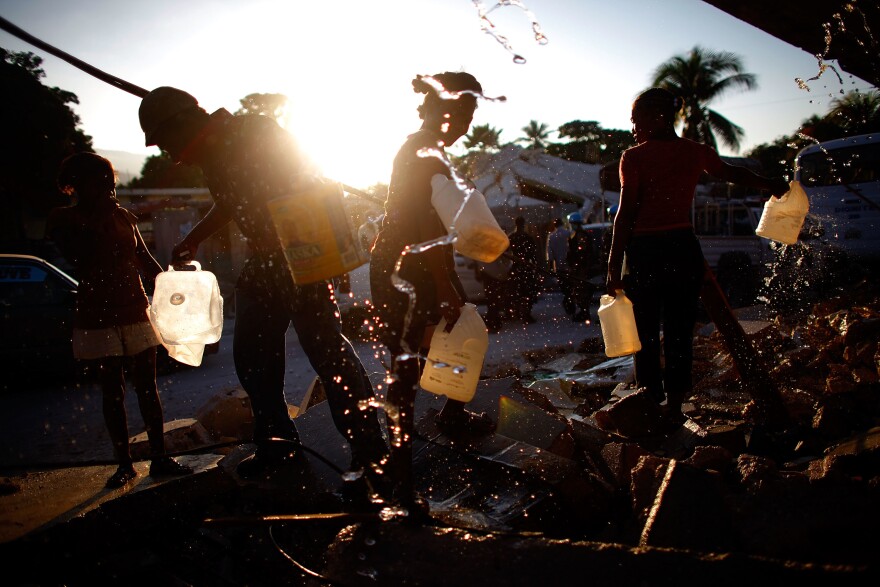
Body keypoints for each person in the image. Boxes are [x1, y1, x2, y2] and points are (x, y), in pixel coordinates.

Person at [137, 87, 388, 486]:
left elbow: (305, 180)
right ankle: (277, 448)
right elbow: (233, 202)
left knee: (328, 353)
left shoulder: (251, 132)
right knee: (254, 358)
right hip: (265, 260)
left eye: (167, 141)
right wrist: (196, 236)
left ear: (184, 123)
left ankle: (372, 451)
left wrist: (311, 251)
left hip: (299, 254)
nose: (169, 153)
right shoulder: (213, 154)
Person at [606, 87, 789, 426]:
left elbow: (625, 214)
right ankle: (674, 408)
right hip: (682, 246)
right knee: (679, 331)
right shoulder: (695, 152)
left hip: (645, 251)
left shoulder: (633, 157)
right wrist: (770, 184)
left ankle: (650, 400)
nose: (633, 127)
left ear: (657, 117)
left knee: (644, 333)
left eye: (636, 120)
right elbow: (733, 174)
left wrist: (612, 265)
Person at [370, 71, 495, 510]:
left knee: (452, 333)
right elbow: (424, 224)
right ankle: (397, 471)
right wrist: (444, 284)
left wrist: (447, 279)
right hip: (405, 265)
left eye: (470, 112)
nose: (465, 121)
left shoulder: (429, 148)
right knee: (406, 362)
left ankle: (452, 412)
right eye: (460, 111)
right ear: (439, 112)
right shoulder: (422, 148)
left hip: (422, 259)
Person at [46, 153, 193, 488]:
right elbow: (79, 258)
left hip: (135, 310)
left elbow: (142, 256)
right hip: (97, 316)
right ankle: (124, 463)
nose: (108, 189)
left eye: (109, 182)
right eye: (100, 183)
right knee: (112, 391)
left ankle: (160, 458)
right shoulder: (63, 219)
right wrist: (100, 217)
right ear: (78, 184)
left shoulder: (123, 216)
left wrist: (171, 285)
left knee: (148, 388)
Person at [506, 216, 541, 324]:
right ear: (524, 224)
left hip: (516, 267)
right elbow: (534, 254)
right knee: (527, 291)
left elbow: (506, 252)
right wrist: (535, 266)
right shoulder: (528, 237)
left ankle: (518, 312)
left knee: (517, 291)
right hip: (526, 267)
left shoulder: (511, 237)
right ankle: (526, 314)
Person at [566, 212, 595, 323]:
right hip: (578, 267)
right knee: (578, 291)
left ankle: (584, 312)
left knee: (581, 291)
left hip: (580, 268)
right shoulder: (576, 234)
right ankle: (583, 311)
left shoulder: (580, 235)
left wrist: (578, 265)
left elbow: (581, 253)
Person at [546, 217, 573, 314]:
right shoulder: (568, 233)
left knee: (564, 287)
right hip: (570, 265)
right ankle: (571, 302)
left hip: (559, 266)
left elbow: (550, 254)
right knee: (571, 285)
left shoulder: (552, 236)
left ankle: (568, 303)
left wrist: (550, 268)